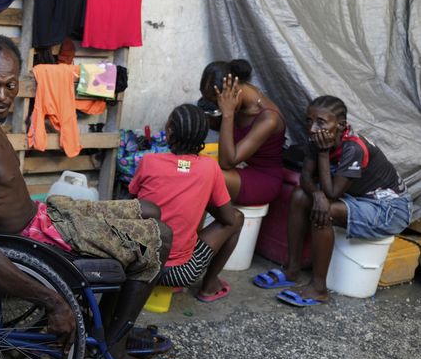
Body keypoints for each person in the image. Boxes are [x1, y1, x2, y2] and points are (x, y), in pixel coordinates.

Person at [0, 35, 172, 359]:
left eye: (9, 85)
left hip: (45, 215)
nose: (2, 96)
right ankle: (113, 355)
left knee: (149, 210)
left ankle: (107, 332)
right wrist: (54, 302)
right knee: (159, 236)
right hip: (38, 237)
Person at [254, 95, 413, 306]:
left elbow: (332, 193)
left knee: (325, 209)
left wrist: (322, 156)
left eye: (321, 122)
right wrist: (317, 194)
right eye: (309, 121)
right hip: (356, 198)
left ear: (340, 126)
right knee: (301, 195)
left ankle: (318, 288)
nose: (312, 128)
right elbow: (306, 178)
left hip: (390, 209)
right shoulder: (318, 139)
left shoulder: (353, 148)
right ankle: (292, 269)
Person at [128, 104, 244, 302]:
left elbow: (134, 201)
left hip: (138, 265)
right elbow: (227, 218)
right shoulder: (210, 168)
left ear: (170, 131)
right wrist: (200, 197)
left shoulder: (149, 161)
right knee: (238, 218)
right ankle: (209, 286)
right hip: (180, 273)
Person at [199, 59, 286, 206]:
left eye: (217, 103)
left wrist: (228, 114)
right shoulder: (237, 99)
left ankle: (227, 225)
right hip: (241, 168)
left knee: (204, 174)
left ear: (234, 91)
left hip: (263, 180)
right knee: (186, 165)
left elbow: (227, 163)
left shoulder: (268, 119)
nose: (217, 108)